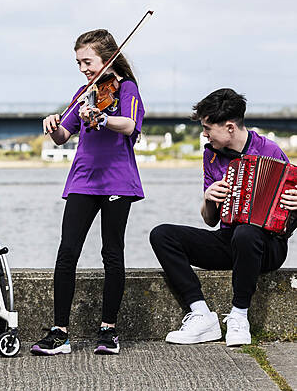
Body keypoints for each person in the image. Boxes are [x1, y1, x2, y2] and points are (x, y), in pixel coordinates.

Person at [149, 88, 296, 346]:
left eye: (207, 128)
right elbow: (210, 220)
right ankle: (201, 314)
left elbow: (289, 219)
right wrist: (208, 198)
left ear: (229, 127)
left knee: (247, 232)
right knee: (162, 234)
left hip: (268, 246)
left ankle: (239, 316)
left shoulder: (269, 150)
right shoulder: (211, 155)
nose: (203, 134)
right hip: (229, 239)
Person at [31, 29, 144, 356]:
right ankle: (59, 332)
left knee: (112, 252)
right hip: (83, 180)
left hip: (118, 180)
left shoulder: (126, 88)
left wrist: (103, 117)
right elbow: (63, 135)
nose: (82, 68)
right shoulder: (84, 92)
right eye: (78, 62)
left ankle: (108, 331)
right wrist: (53, 125)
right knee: (67, 251)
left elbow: (130, 124)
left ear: (107, 57)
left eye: (87, 61)